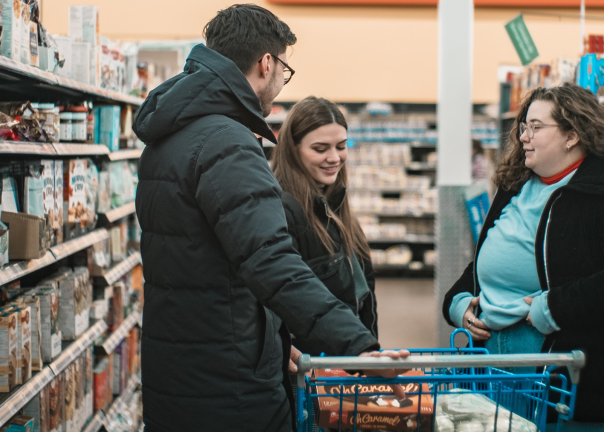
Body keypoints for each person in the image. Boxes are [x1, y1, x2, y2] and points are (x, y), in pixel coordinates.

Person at [133, 5, 408, 432]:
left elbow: (209, 261)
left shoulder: (172, 133)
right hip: (230, 385)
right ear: (267, 63)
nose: (281, 83)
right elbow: (269, 260)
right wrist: (356, 347)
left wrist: (278, 338)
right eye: (284, 69)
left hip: (181, 368)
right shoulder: (227, 141)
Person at [441, 83, 604, 430]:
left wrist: (553, 307)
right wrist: (458, 301)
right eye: (523, 126)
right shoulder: (516, 184)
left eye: (536, 127)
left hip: (567, 371)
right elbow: (489, 258)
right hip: (492, 364)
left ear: (572, 135)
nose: (524, 136)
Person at [271, 96, 377, 355]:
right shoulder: (283, 210)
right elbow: (289, 297)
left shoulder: (336, 203)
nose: (334, 158)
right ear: (293, 150)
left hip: (349, 358)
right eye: (320, 149)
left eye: (341, 146)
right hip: (314, 366)